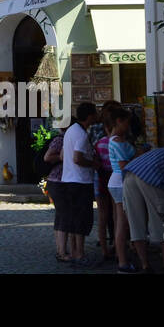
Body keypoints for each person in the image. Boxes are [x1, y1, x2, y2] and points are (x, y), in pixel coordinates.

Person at [60, 102, 100, 267]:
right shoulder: (82, 135)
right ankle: (80, 254)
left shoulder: (71, 130)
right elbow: (77, 158)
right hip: (80, 181)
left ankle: (75, 251)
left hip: (68, 180)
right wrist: (93, 163)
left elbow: (64, 156)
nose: (97, 116)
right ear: (89, 116)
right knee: (82, 220)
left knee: (73, 219)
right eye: (95, 114)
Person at [107, 109, 137, 273]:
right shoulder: (117, 141)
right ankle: (123, 262)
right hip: (121, 182)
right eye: (126, 122)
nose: (128, 126)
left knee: (122, 222)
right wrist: (138, 155)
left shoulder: (117, 139)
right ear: (118, 121)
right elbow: (123, 166)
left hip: (118, 182)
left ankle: (123, 259)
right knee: (122, 224)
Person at [94, 106, 117, 262]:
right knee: (117, 215)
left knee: (102, 217)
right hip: (115, 180)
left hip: (100, 180)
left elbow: (96, 161)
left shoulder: (99, 143)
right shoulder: (119, 143)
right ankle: (116, 244)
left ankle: (103, 249)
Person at [43, 130, 68, 262]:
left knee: (60, 216)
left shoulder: (62, 139)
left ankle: (60, 249)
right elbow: (47, 157)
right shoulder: (60, 140)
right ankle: (62, 251)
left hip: (57, 181)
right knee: (63, 216)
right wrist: (63, 157)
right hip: (58, 181)